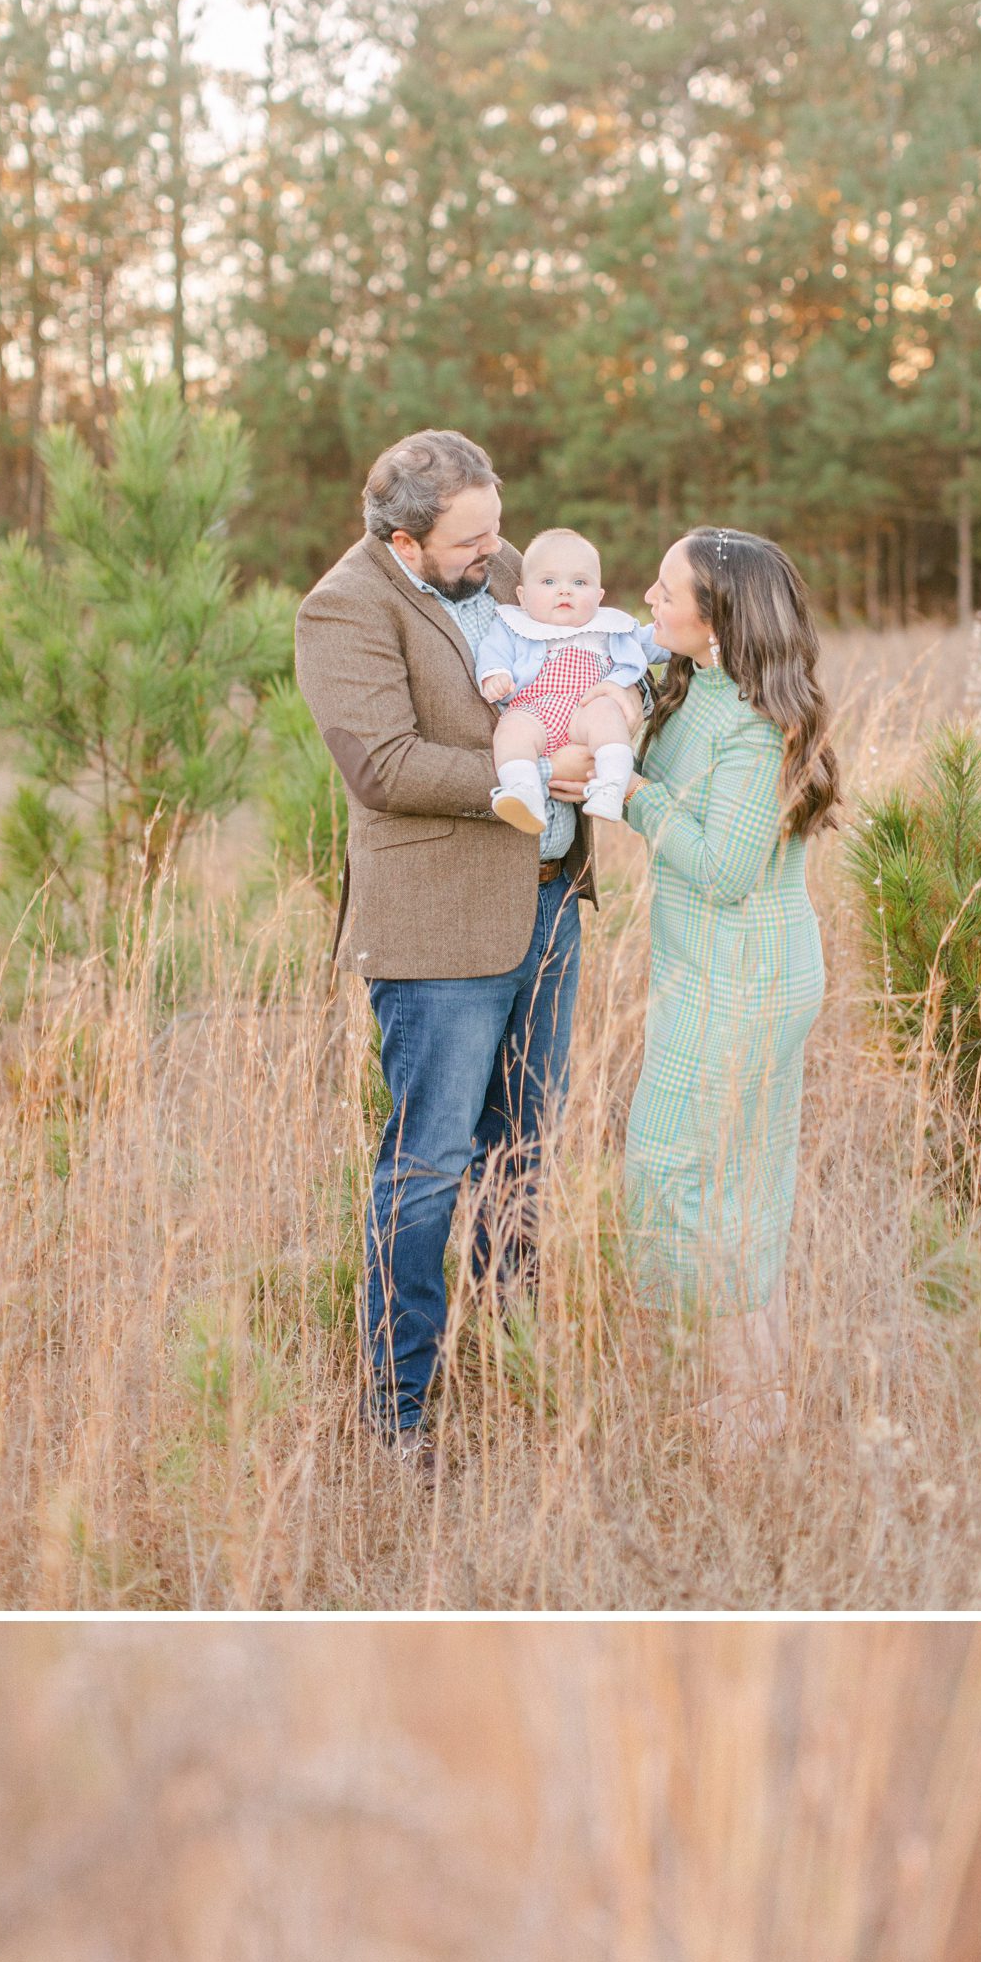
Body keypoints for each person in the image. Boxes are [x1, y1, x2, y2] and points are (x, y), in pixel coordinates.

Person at [294, 432, 599, 1451]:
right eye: (471, 537)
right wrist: (523, 781)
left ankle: (511, 1375)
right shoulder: (344, 608)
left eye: (496, 525)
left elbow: (577, 651)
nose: (497, 551)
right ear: (406, 540)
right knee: (427, 1167)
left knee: (524, 1157)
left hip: (549, 903)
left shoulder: (500, 565)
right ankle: (400, 1408)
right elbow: (383, 764)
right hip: (437, 938)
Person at [622, 528, 839, 1436]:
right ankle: (757, 1397)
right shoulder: (700, 689)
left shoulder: (754, 728)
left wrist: (625, 793)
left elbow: (726, 870)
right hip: (710, 974)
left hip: (742, 981)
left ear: (716, 621)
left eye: (667, 591)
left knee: (674, 1179)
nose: (647, 598)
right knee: (733, 1183)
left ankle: (749, 1404)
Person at [473, 529, 653, 835]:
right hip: (534, 711)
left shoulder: (609, 628)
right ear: (522, 595)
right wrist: (495, 674)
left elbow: (659, 641)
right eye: (548, 582)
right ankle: (523, 790)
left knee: (606, 713)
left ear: (599, 596)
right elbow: (493, 652)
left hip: (584, 711)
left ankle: (610, 784)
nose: (564, 591)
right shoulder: (514, 625)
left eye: (579, 582)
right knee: (511, 731)